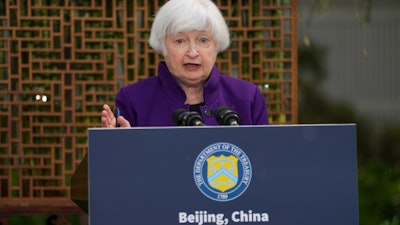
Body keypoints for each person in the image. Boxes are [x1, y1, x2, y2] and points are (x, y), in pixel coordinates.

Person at [101, 0, 268, 127]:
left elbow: (266, 162)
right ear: (162, 46)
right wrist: (118, 146)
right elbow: (117, 167)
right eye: (180, 41)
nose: (193, 52)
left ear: (217, 45)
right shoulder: (134, 100)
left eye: (203, 40)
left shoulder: (247, 97)